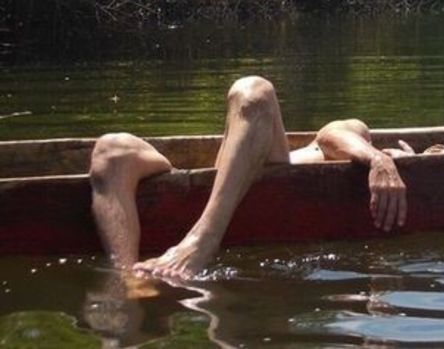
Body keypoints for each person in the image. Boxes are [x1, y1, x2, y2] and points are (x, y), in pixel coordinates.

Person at [88, 75, 410, 281]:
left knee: (252, 92)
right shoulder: (361, 144)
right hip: (238, 172)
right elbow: (330, 134)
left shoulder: (365, 155)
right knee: (110, 150)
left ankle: (152, 270)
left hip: (239, 177)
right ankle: (131, 278)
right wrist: (379, 159)